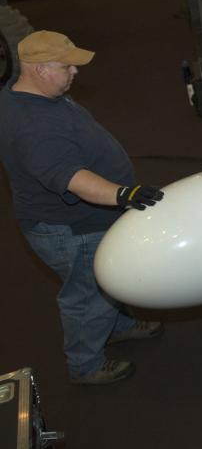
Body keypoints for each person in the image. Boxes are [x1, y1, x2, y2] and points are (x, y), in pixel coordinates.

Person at [0, 31, 165, 385]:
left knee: (106, 280)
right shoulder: (35, 127)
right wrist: (124, 194)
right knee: (88, 293)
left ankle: (118, 326)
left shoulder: (22, 92)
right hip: (73, 229)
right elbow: (71, 177)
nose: (75, 72)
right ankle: (86, 365)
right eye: (67, 66)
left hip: (75, 221)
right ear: (40, 69)